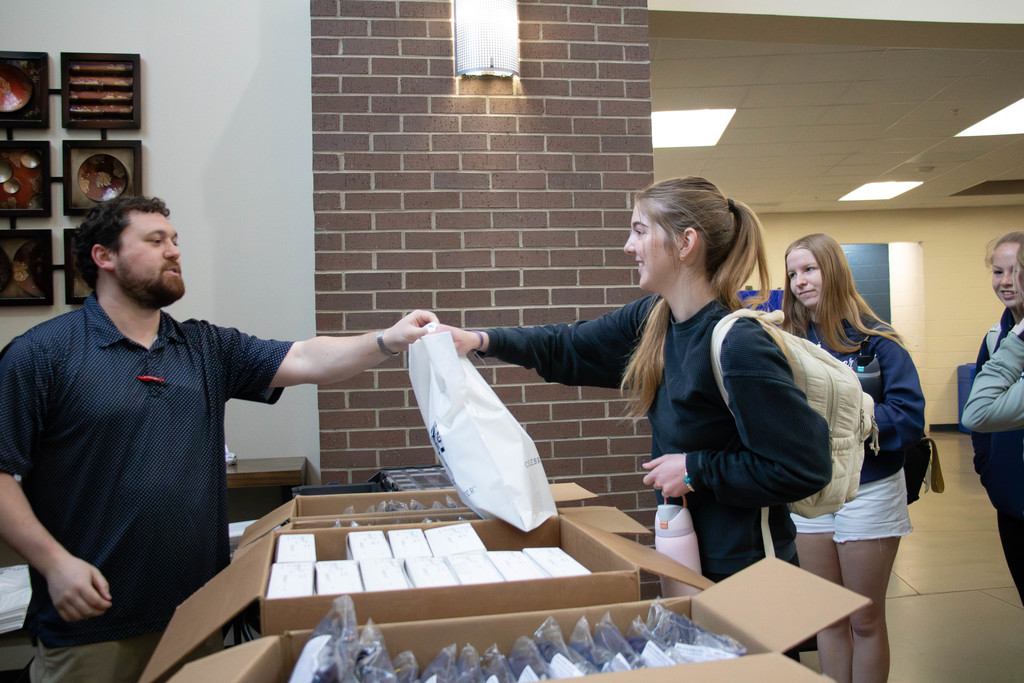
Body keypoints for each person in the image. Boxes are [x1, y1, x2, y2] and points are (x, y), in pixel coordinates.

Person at [0, 196, 438, 683]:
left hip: (195, 616)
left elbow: (307, 359)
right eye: (155, 240)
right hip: (90, 628)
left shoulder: (205, 347)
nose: (173, 251)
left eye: (175, 240)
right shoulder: (42, 355)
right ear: (105, 257)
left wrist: (388, 340)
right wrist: (54, 564)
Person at [436, 176, 831, 582]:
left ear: (685, 243)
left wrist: (697, 469)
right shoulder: (653, 319)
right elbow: (568, 346)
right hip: (686, 556)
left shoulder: (739, 345)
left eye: (640, 231)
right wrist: (478, 340)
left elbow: (804, 467)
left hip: (748, 573)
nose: (628, 246)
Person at [782, 233, 925, 683]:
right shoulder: (786, 343)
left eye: (810, 269)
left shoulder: (878, 340)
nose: (800, 281)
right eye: (792, 273)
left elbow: (907, 417)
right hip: (812, 493)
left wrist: (845, 417)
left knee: (863, 619)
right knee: (827, 616)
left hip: (869, 491)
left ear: (834, 270)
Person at [961, 235, 1024, 604]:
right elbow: (978, 415)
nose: (1006, 281)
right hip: (1011, 498)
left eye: (1016, 271)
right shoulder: (997, 336)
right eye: (998, 271)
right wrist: (989, 469)